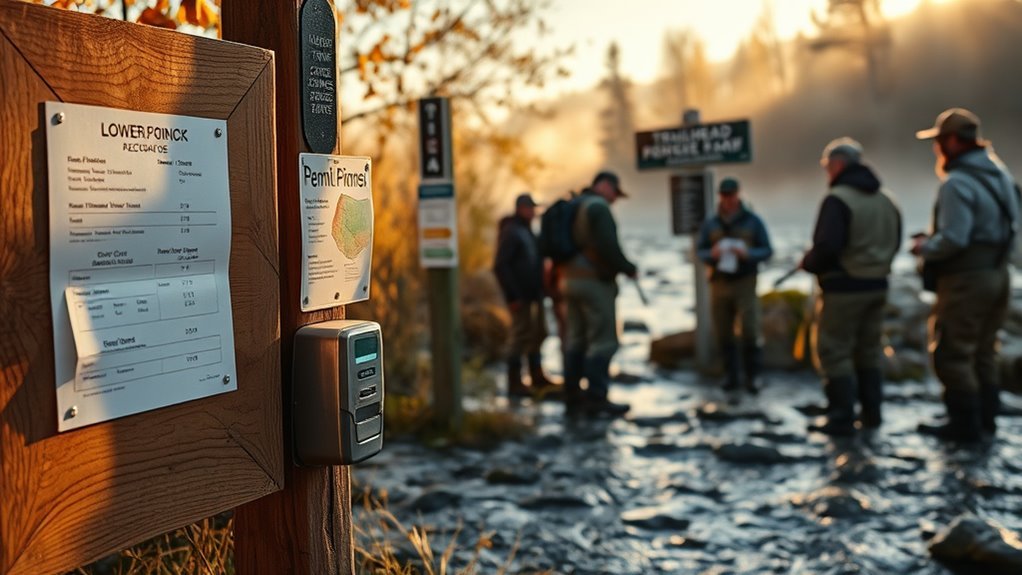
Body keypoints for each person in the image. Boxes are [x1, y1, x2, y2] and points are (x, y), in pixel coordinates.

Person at [911, 108, 1020, 442]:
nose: (936, 149)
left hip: (967, 279)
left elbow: (955, 238)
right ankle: (986, 422)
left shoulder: (956, 183)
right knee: (985, 350)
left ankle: (963, 427)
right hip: (999, 274)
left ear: (953, 142)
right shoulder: (1001, 174)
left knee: (951, 353)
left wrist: (925, 248)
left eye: (939, 141)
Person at [801, 138, 902, 436]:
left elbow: (827, 249)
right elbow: (894, 241)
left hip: (844, 288)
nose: (826, 172)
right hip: (878, 286)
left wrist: (808, 262)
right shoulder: (887, 199)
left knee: (834, 350)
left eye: (826, 166)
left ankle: (841, 418)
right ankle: (872, 415)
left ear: (838, 164)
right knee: (869, 350)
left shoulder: (837, 199)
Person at [560, 171, 637, 416]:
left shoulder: (573, 205)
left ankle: (572, 396)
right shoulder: (598, 208)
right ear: (604, 186)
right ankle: (596, 398)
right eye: (615, 193)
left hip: (568, 280)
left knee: (577, 337)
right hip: (593, 283)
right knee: (603, 341)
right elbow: (608, 246)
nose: (615, 199)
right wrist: (628, 267)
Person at [696, 177, 774, 394]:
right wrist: (711, 254)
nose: (728, 199)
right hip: (719, 281)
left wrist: (748, 253)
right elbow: (700, 250)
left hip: (745, 281)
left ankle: (753, 376)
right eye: (724, 195)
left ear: (738, 194)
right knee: (723, 330)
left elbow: (767, 250)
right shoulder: (711, 223)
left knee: (750, 328)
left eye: (731, 195)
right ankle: (730, 376)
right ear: (720, 196)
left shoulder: (753, 221)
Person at [493, 192, 556, 398]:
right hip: (520, 296)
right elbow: (500, 265)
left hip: (534, 294)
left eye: (534, 208)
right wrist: (512, 296)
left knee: (539, 332)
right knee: (519, 336)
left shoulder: (526, 231)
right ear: (520, 208)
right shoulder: (512, 231)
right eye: (530, 208)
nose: (533, 212)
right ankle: (514, 383)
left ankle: (536, 376)